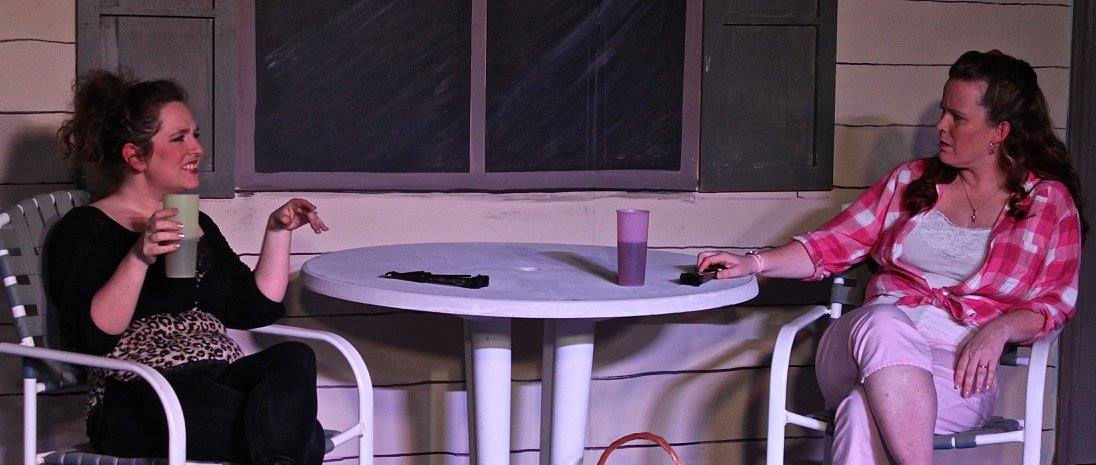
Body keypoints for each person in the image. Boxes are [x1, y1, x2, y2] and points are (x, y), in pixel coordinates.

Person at [697, 50, 1083, 464]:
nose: (941, 125)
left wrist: (1000, 329)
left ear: (999, 131)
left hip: (956, 371)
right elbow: (831, 244)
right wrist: (754, 263)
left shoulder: (1048, 203)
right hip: (861, 344)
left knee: (860, 411)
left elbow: (1055, 303)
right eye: (943, 111)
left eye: (957, 117)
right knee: (884, 322)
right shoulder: (911, 181)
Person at [48, 69, 330, 465]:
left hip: (216, 377)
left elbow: (253, 308)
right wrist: (139, 257)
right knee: (304, 438)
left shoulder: (197, 222)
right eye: (179, 138)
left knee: (295, 357)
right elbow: (88, 338)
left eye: (195, 135)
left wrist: (277, 231)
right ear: (135, 156)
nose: (197, 148)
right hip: (138, 391)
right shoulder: (85, 228)